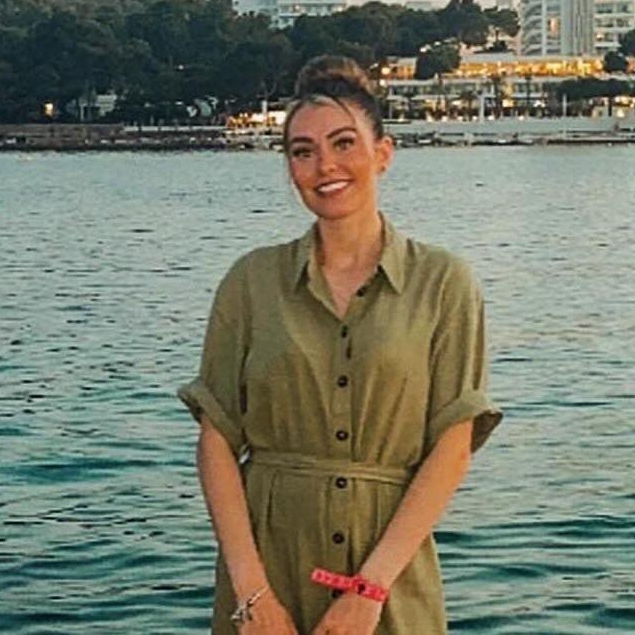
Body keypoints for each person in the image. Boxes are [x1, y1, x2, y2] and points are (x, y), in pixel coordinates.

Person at [179, 55, 502, 634]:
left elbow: (452, 446)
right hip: (265, 572)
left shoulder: (444, 282)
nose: (324, 164)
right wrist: (252, 593)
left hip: (392, 577)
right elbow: (217, 441)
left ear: (383, 153)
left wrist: (369, 589)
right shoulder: (251, 282)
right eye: (302, 151)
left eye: (343, 143)